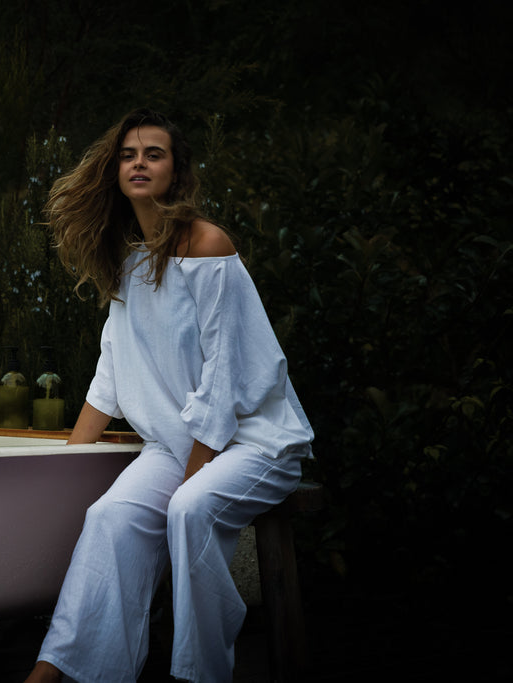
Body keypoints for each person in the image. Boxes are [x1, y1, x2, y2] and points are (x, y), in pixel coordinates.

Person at [24, 108, 315, 682]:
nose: (139, 163)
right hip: (174, 445)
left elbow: (225, 377)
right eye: (128, 154)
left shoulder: (206, 245)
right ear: (114, 171)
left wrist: (191, 474)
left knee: (189, 508)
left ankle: (199, 674)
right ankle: (56, 672)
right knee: (108, 516)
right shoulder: (127, 256)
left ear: (176, 171)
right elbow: (111, 375)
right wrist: (63, 463)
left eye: (153, 153)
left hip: (254, 442)